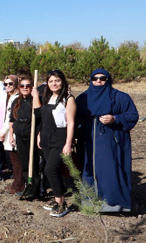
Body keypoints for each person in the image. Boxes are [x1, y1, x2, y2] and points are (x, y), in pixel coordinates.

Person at [77, 69, 139, 213]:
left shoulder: (120, 97)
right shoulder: (83, 98)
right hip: (89, 143)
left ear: (108, 80)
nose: (98, 81)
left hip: (112, 143)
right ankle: (90, 201)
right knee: (89, 169)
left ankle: (115, 203)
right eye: (95, 78)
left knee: (111, 169)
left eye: (102, 78)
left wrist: (115, 119)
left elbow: (132, 115)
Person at [33, 70, 76, 217]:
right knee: (54, 170)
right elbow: (40, 116)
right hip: (45, 136)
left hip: (60, 136)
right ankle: (59, 200)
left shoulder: (68, 99)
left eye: (57, 80)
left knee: (50, 169)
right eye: (51, 81)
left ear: (63, 81)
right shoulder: (48, 97)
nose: (54, 83)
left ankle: (62, 204)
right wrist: (39, 134)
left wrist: (68, 143)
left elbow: (70, 123)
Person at [8, 76, 40, 196]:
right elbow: (12, 120)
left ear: (32, 87)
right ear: (19, 88)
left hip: (32, 137)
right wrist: (11, 136)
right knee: (24, 163)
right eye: (22, 86)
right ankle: (28, 186)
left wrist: (36, 96)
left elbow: (39, 115)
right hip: (20, 136)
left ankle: (37, 188)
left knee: (34, 164)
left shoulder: (36, 100)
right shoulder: (17, 102)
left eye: (28, 86)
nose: (25, 88)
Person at [0, 75, 20, 190]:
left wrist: (3, 132)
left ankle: (18, 185)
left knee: (16, 160)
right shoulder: (10, 97)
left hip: (13, 132)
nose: (7, 86)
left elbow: (10, 118)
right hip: (9, 131)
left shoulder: (16, 98)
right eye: (5, 84)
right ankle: (16, 182)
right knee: (13, 159)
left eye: (10, 84)